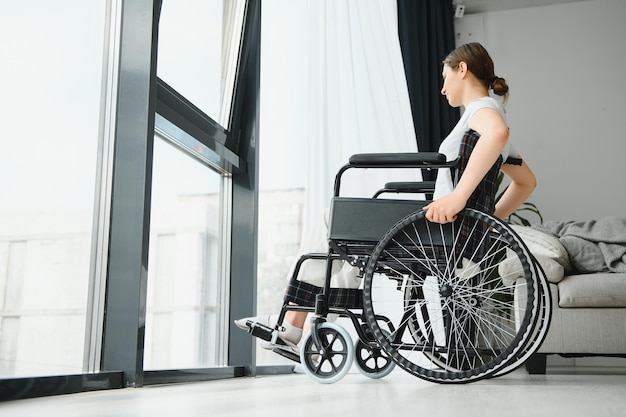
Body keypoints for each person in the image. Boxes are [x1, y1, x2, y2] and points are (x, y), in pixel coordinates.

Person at [235, 42, 537, 356]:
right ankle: (308, 328)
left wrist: (459, 198)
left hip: (438, 230)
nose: (443, 89)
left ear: (462, 70)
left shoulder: (482, 111)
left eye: (445, 77)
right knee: (353, 256)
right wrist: (486, 221)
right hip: (448, 229)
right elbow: (526, 182)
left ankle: (294, 324)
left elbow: (497, 134)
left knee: (331, 219)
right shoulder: (486, 112)